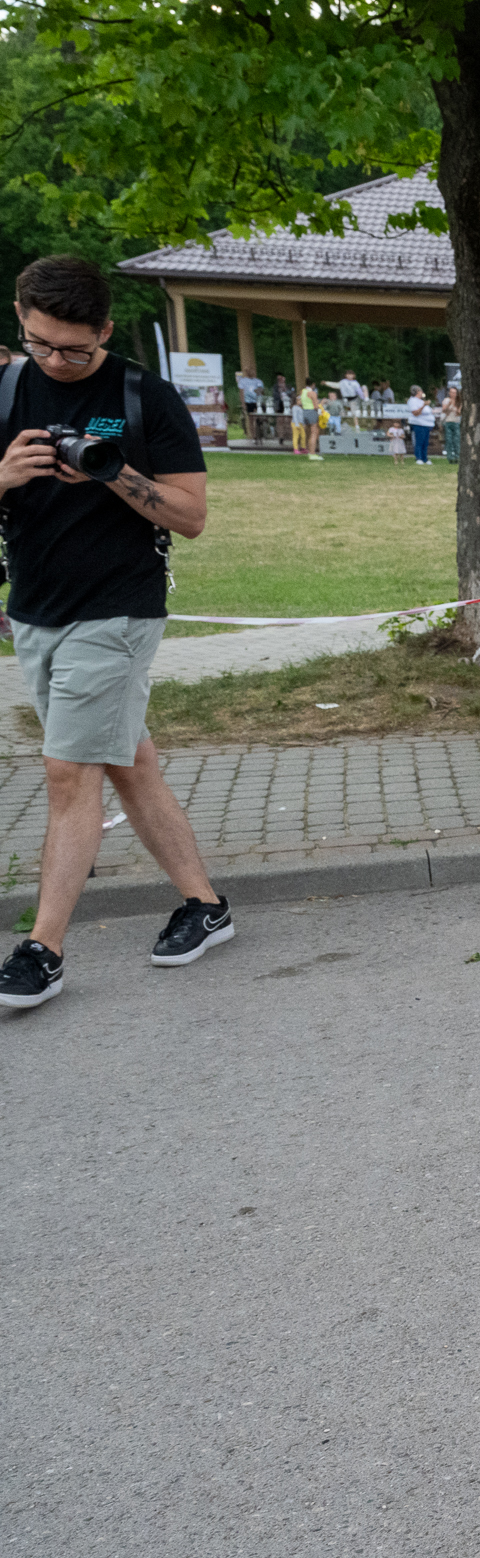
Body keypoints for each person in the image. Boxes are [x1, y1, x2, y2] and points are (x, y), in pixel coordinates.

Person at [0, 255, 234, 1012]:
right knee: (130, 761)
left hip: (118, 611)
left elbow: (192, 517)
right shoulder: (6, 389)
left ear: (104, 330)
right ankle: (206, 905)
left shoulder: (143, 396)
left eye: (74, 349)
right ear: (20, 317)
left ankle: (43, 949)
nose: (54, 361)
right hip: (34, 610)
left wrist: (114, 474)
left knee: (69, 774)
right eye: (40, 343)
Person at [406, 387, 437, 465]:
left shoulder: (421, 401)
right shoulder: (413, 401)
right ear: (417, 391)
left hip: (427, 424)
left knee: (425, 443)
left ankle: (425, 458)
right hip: (419, 424)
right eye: (421, 391)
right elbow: (415, 413)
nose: (422, 393)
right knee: (419, 442)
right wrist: (424, 405)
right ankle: (419, 458)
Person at [293, 377, 320, 457]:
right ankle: (312, 453)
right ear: (313, 384)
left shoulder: (302, 391)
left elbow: (300, 402)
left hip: (304, 412)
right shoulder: (312, 393)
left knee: (307, 433)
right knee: (314, 433)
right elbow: (316, 406)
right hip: (311, 411)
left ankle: (307, 449)